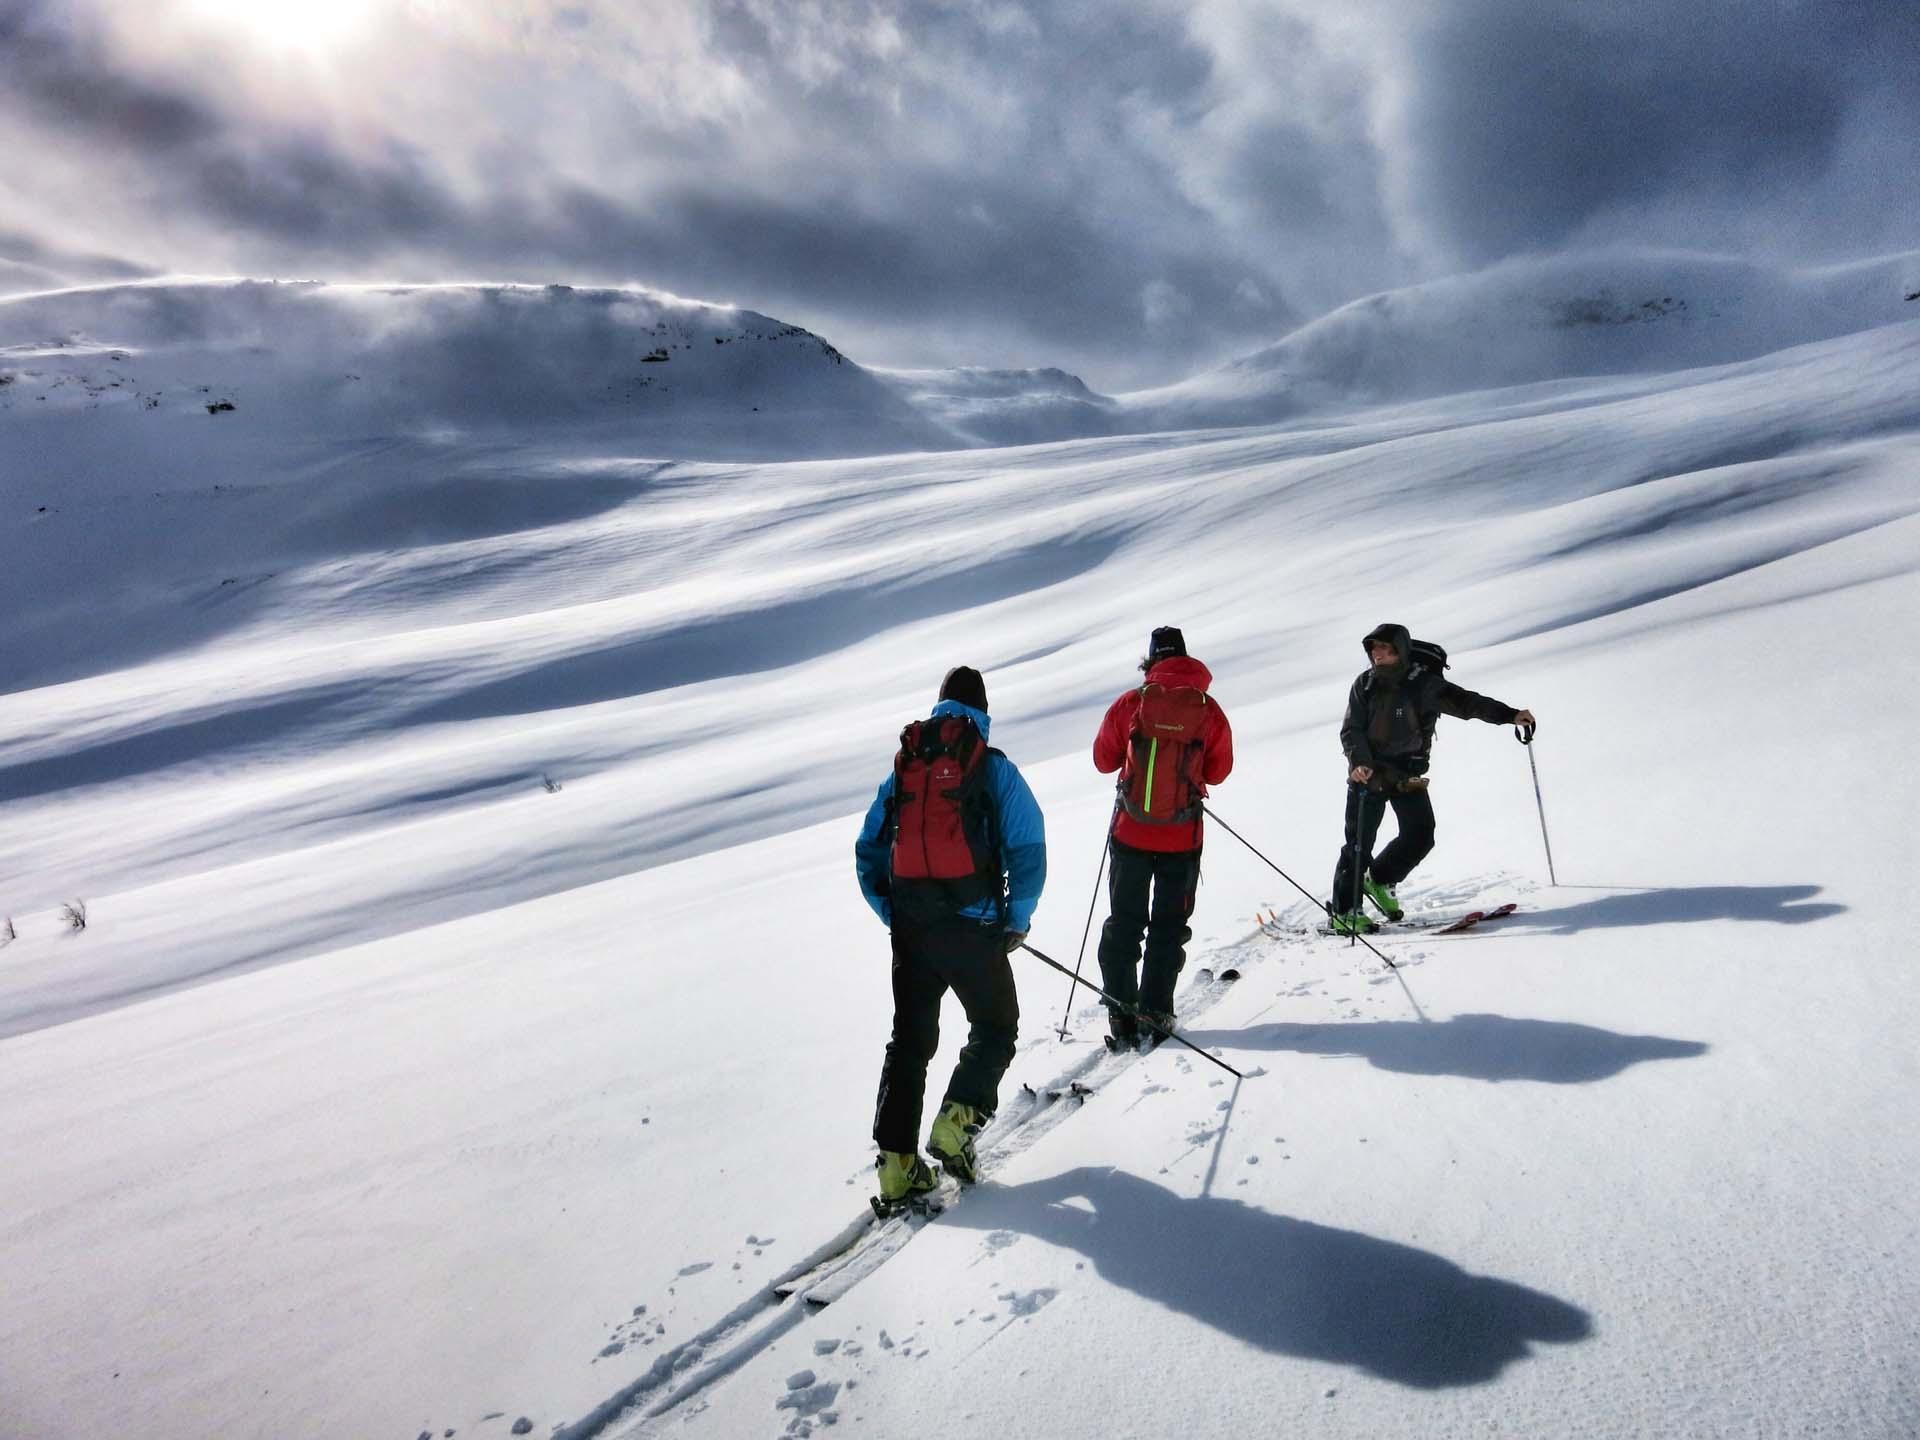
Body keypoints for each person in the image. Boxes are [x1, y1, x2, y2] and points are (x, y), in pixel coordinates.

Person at [854, 665, 1046, 1213]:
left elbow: (868, 847)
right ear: (983, 710)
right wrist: (1017, 919)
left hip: (913, 932)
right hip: (973, 927)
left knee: (909, 1042)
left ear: (938, 706)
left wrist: (892, 910)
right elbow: (1028, 850)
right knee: (996, 1025)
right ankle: (954, 1129)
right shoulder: (990, 767)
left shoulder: (908, 765)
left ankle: (896, 1169)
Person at [1329, 623, 1536, 934]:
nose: (1376, 653)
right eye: (1372, 648)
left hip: (1407, 773)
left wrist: (1510, 715)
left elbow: (1467, 703)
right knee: (1358, 845)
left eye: (1383, 647)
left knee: (1421, 835)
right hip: (1369, 774)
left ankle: (1381, 879)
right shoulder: (1365, 684)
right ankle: (1345, 912)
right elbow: (1351, 728)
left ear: (1399, 650)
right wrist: (1358, 762)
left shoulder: (1422, 684)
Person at [1090, 627, 1233, 1050]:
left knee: (1124, 922)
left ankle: (1121, 1010)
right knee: (1168, 926)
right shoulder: (1208, 709)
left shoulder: (1132, 702)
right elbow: (1220, 771)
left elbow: (1102, 760)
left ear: (1150, 662)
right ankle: (1156, 1010)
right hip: (1182, 835)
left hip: (1130, 831)